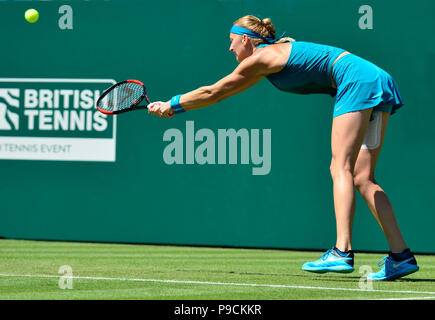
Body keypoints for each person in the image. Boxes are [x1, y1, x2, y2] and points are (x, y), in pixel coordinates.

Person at [147, 15, 419, 281]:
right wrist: (177, 106)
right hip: (375, 77)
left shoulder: (263, 57)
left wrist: (171, 104)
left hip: (357, 81)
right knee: (362, 177)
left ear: (246, 39)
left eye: (232, 41)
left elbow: (214, 92)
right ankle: (401, 257)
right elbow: (223, 92)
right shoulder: (269, 57)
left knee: (340, 167)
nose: (229, 48)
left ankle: (342, 251)